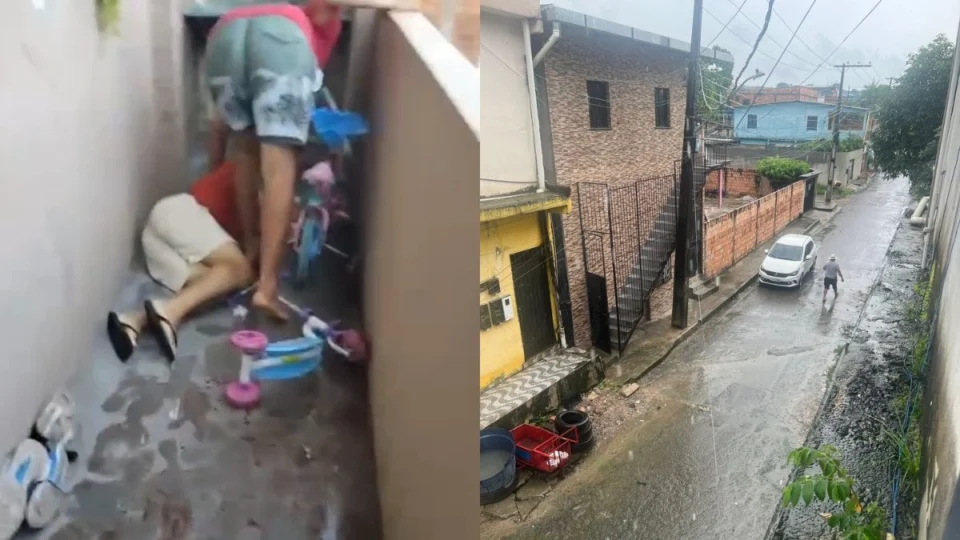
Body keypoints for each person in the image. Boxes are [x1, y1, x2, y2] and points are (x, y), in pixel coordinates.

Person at [203, 0, 342, 321]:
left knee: (247, 151)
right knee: (280, 168)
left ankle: (250, 250)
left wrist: (214, 172)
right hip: (279, 40)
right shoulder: (314, 18)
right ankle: (267, 286)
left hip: (223, 36)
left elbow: (218, 127)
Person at [106, 163, 254, 363]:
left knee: (214, 286)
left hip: (159, 238)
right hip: (180, 212)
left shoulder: (254, 162)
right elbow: (251, 252)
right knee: (240, 270)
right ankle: (169, 313)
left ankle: (133, 321)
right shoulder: (258, 171)